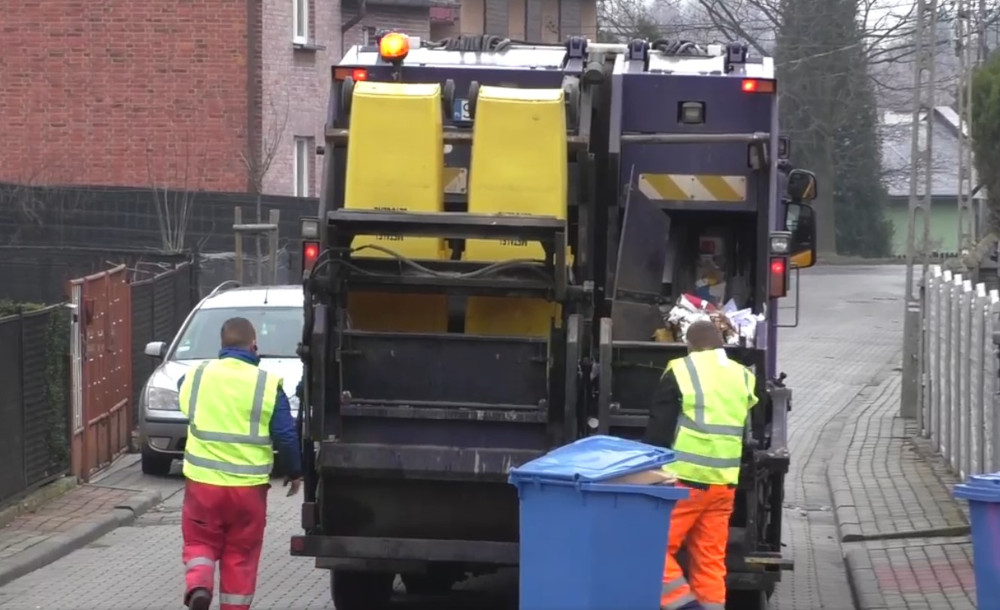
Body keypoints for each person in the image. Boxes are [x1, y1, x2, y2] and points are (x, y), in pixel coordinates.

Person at [177, 317, 303, 610]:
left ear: (221, 345)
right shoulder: (268, 384)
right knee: (241, 556)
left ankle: (199, 585)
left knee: (199, 542)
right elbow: (285, 433)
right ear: (253, 344)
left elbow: (184, 403)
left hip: (202, 486)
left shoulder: (196, 377)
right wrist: (295, 471)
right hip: (248, 492)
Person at [645, 319, 758, 610]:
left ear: (689, 345)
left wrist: (647, 474)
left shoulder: (682, 370)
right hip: (724, 486)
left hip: (685, 484)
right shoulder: (744, 376)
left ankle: (685, 606)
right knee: (709, 561)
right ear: (722, 343)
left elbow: (660, 429)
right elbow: (747, 429)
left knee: (649, 549)